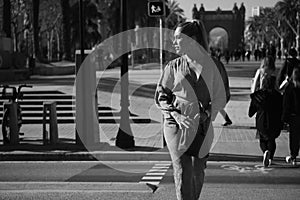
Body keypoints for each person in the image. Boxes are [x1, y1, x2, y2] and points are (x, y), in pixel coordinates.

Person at [155, 20, 226, 200]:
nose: (174, 42)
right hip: (175, 125)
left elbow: (222, 95)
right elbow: (161, 95)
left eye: (178, 38)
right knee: (182, 171)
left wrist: (208, 112)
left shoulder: (215, 66)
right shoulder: (173, 67)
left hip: (202, 126)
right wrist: (175, 115)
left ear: (192, 39)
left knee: (197, 171)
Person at [248, 56, 283, 167]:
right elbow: (278, 85)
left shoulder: (260, 70)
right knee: (272, 138)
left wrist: (254, 95)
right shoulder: (275, 71)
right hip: (274, 99)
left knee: (262, 137)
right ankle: (270, 157)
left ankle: (265, 152)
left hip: (261, 99)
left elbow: (254, 87)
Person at [282, 66, 300, 166]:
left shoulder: (290, 87)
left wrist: (284, 118)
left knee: (294, 137)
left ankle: (293, 156)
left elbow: (286, 104)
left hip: (294, 116)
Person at [211, 55, 233, 126]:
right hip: (222, 90)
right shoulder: (218, 64)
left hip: (219, 91)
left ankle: (208, 123)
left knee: (215, 107)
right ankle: (227, 119)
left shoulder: (213, 65)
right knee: (218, 106)